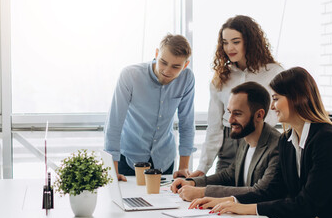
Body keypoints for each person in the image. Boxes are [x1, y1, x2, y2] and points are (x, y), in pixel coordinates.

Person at [189, 67, 332, 218]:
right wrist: (227, 201)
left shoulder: (326, 140)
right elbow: (272, 190)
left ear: (296, 99)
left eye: (276, 99)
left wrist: (244, 208)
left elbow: (306, 204)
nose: (272, 106)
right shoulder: (287, 141)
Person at [174, 15, 283, 178]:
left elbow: (279, 114)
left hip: (261, 143)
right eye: (225, 42)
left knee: (250, 197)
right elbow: (214, 127)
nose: (229, 47)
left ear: (250, 41)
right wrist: (202, 168)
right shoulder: (221, 77)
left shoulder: (274, 73)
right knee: (215, 196)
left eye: (236, 41)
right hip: (229, 145)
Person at [104, 34, 195, 181]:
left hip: (164, 161)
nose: (167, 71)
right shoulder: (130, 75)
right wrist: (113, 170)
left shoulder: (187, 78)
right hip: (128, 159)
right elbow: (114, 123)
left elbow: (187, 122)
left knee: (164, 203)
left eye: (176, 66)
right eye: (163, 62)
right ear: (157, 54)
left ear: (185, 65)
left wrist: (184, 167)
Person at [171, 82, 280, 201]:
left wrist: (202, 192)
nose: (230, 120)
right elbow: (230, 175)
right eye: (229, 112)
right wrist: (192, 183)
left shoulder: (277, 145)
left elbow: (260, 191)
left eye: (237, 114)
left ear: (259, 115)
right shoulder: (245, 138)